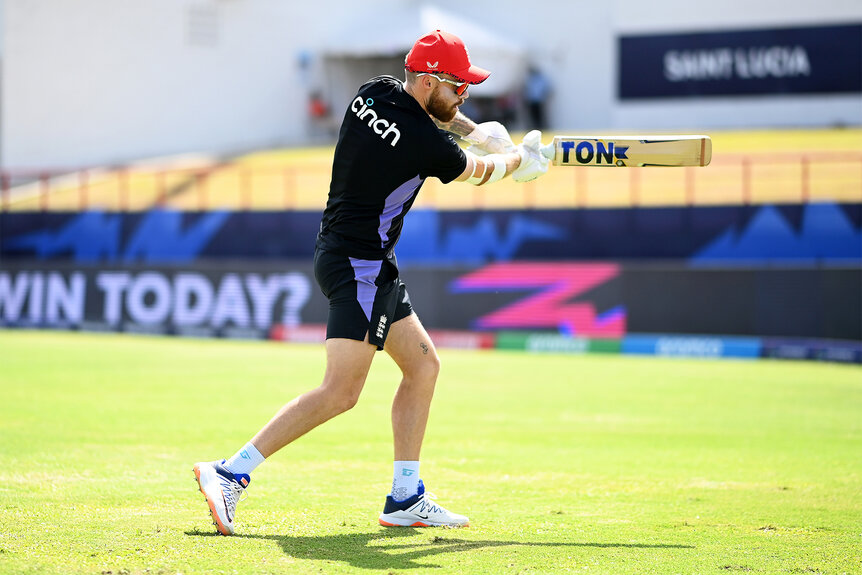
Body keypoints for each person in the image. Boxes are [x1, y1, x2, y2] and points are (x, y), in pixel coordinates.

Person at [193, 29, 550, 535]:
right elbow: (478, 173)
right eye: (457, 87)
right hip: (357, 265)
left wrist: (474, 128)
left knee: (423, 367)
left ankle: (405, 497)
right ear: (428, 81)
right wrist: (519, 160)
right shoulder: (426, 144)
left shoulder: (374, 91)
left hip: (363, 259)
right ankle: (230, 473)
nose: (463, 96)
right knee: (340, 392)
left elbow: (440, 123)